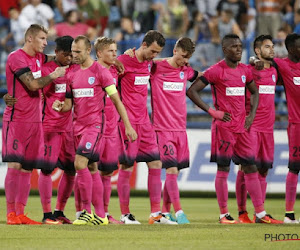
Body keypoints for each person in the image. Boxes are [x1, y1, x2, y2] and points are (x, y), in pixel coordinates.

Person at [187, 34, 277, 224]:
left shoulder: (246, 70)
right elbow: (192, 91)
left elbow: (255, 92)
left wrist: (251, 115)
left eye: (240, 46)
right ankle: (224, 214)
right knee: (224, 169)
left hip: (242, 127)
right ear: (225, 49)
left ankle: (260, 213)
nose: (238, 49)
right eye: (234, 46)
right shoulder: (216, 71)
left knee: (251, 167)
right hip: (224, 128)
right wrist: (212, 111)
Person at [52, 35, 137, 225]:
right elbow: (68, 104)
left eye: (77, 52)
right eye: (72, 51)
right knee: (91, 167)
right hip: (77, 127)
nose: (73, 55)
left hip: (94, 126)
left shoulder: (100, 72)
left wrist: (128, 126)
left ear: (88, 51)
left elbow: (116, 101)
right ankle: (100, 215)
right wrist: (59, 105)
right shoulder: (71, 73)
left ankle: (87, 212)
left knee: (79, 164)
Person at [2, 24, 67, 225]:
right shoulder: (16, 57)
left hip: (36, 121)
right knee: (14, 165)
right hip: (16, 119)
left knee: (27, 168)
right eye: (42, 39)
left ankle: (21, 213)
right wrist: (54, 75)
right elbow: (32, 84)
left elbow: (57, 58)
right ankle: (11, 214)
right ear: (29, 38)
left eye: (46, 39)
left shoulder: (39, 58)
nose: (45, 43)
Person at [116, 30, 176, 225]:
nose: (154, 55)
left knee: (156, 163)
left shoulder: (149, 63)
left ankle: (155, 214)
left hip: (145, 122)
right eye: (152, 51)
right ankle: (125, 214)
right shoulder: (123, 61)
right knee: (126, 166)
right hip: (127, 123)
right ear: (143, 45)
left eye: (157, 52)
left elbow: (161, 63)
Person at [150, 37, 199, 224]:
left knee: (174, 172)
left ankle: (165, 212)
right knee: (170, 169)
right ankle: (179, 212)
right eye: (184, 56)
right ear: (175, 51)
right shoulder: (155, 68)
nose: (186, 61)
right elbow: (139, 63)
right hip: (162, 129)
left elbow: (204, 76)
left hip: (180, 129)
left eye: (189, 58)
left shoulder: (185, 71)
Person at [253, 33, 300, 223]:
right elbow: (259, 61)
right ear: (290, 49)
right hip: (297, 124)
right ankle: (289, 214)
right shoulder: (282, 65)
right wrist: (254, 61)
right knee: (295, 167)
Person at [236, 35, 282, 224]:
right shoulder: (250, 69)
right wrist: (253, 61)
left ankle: (259, 213)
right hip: (251, 126)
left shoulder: (275, 71)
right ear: (257, 51)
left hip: (268, 128)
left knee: (263, 170)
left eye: (272, 46)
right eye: (267, 47)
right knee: (246, 168)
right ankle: (242, 212)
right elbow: (243, 67)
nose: (271, 50)